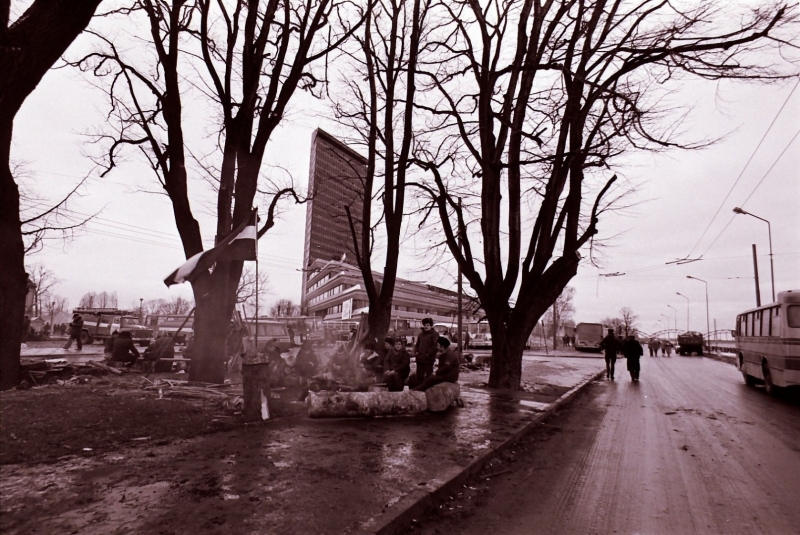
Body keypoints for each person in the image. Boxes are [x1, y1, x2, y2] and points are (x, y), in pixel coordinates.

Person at [413, 318, 439, 384]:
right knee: (419, 375)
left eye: (427, 325)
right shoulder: (421, 335)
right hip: (420, 358)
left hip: (428, 359)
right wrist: (416, 351)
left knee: (428, 375)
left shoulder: (434, 334)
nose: (426, 326)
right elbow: (417, 344)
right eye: (425, 325)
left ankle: (428, 388)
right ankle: (419, 388)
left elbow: (435, 346)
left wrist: (428, 353)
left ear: (431, 326)